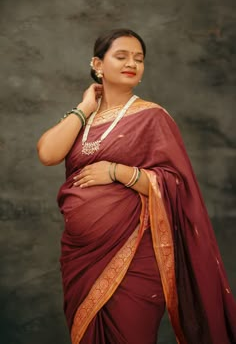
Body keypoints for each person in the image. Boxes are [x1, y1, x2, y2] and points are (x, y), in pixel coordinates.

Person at [37, 28, 236, 344]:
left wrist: (116, 171)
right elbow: (48, 153)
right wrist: (85, 106)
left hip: (136, 258)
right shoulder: (83, 120)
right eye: (121, 56)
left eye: (139, 59)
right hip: (81, 258)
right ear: (97, 64)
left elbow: (177, 186)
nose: (132, 63)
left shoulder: (152, 117)